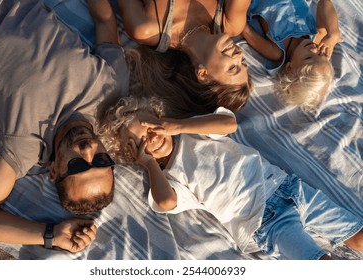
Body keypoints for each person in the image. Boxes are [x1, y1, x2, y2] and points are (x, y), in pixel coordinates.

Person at [99, 95, 363, 260]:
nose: (152, 137)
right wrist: (149, 164)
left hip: (288, 187)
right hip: (263, 220)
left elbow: (229, 124)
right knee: (320, 263)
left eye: (151, 127)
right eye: (140, 142)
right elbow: (166, 203)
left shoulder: (193, 131)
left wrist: (178, 124)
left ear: (160, 118)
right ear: (133, 154)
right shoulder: (171, 178)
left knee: (358, 237)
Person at [0, 0, 126, 253]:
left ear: (54, 171)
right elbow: (106, 22)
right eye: (100, 161)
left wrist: (50, 235)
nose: (88, 150)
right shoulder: (111, 93)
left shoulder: (24, 146)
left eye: (78, 165)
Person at [113, 0, 253, 112]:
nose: (239, 54)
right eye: (243, 61)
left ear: (203, 74)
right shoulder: (230, 22)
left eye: (233, 67)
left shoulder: (145, 29)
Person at [240, 0, 343, 111]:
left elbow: (245, 31)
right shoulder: (316, 38)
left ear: (289, 68)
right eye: (321, 55)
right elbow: (324, 3)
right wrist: (333, 33)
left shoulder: (276, 51)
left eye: (308, 58)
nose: (314, 49)